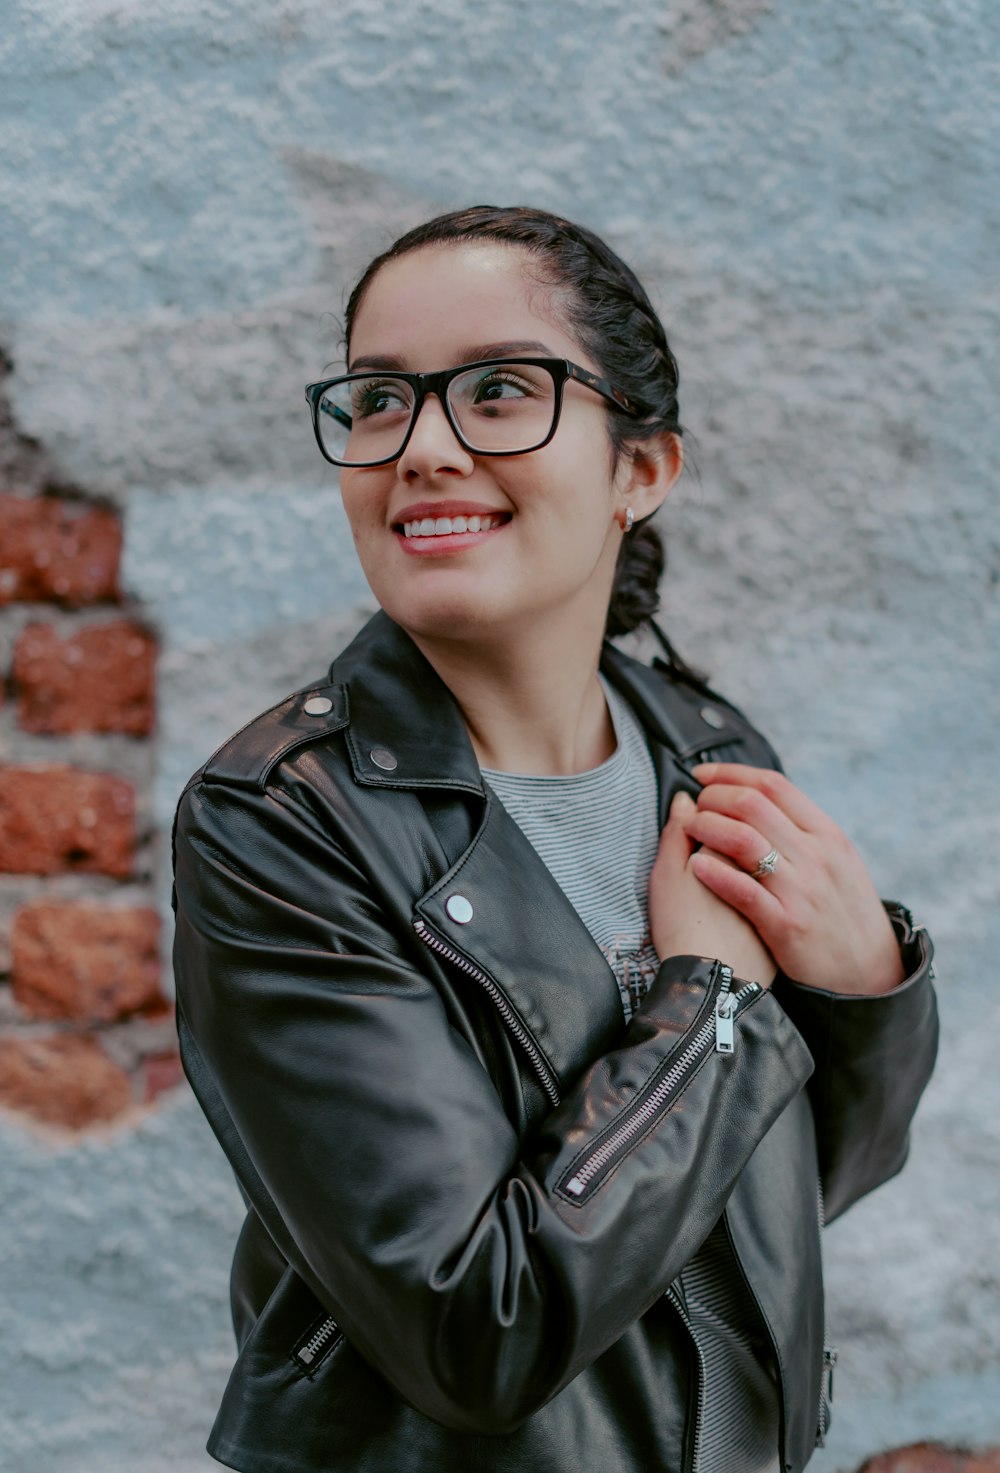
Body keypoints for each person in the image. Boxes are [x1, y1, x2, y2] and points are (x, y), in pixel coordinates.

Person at [171, 205, 938, 1473]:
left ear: (642, 470)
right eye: (376, 402)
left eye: (499, 390)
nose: (420, 448)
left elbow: (791, 1192)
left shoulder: (708, 750)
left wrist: (867, 987)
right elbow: (477, 1329)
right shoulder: (287, 821)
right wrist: (712, 1005)